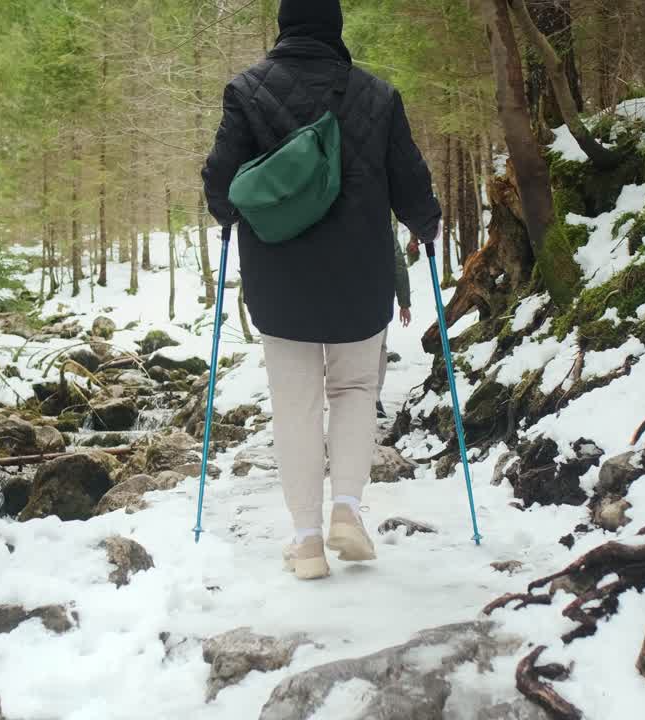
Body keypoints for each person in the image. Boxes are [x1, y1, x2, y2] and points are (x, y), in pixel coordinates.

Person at [202, 0, 441, 580]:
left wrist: (239, 210)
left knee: (296, 404)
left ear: (284, 27)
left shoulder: (247, 91)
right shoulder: (378, 96)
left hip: (280, 281)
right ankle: (348, 513)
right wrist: (427, 225)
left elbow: (220, 185)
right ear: (335, 28)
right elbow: (410, 181)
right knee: (357, 388)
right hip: (360, 278)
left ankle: (307, 542)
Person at [376, 237, 412, 420]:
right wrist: (404, 303)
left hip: (351, 296)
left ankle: (354, 398)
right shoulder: (383, 225)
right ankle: (373, 398)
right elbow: (398, 264)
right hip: (378, 297)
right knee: (379, 349)